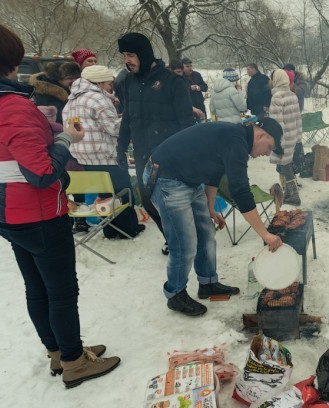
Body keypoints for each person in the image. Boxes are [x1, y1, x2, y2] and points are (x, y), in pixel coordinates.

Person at [0, 19, 120, 387]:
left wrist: (47, 134)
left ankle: (58, 350)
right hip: (36, 211)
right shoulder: (9, 106)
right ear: (6, 59)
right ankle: (73, 361)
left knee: (37, 286)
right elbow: (41, 173)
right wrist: (65, 141)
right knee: (60, 290)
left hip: (4, 207)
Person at [143, 118, 284, 316]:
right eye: (269, 147)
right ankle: (175, 294)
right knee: (184, 243)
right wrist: (265, 234)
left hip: (187, 179)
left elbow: (215, 172)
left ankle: (208, 283)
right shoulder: (236, 140)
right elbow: (241, 192)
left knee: (206, 232)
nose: (267, 153)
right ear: (261, 134)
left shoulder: (236, 138)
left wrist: (209, 208)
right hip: (166, 178)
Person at [116, 32, 196, 250]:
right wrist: (120, 147)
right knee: (149, 202)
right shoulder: (127, 83)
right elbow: (127, 118)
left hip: (170, 157)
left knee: (174, 203)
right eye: (124, 55)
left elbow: (187, 124)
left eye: (130, 54)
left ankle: (184, 241)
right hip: (143, 155)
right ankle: (171, 238)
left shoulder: (172, 81)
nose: (126, 60)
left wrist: (186, 157)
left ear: (143, 53)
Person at [64, 64, 144, 239]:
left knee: (104, 194)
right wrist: (130, 117)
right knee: (123, 192)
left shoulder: (72, 100)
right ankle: (128, 229)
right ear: (99, 83)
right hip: (106, 155)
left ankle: (110, 229)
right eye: (109, 83)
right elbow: (114, 129)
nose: (111, 87)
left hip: (83, 156)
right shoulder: (98, 99)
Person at [267, 69, 303, 206]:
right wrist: (298, 136)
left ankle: (294, 196)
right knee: (286, 166)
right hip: (292, 135)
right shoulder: (292, 95)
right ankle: (289, 194)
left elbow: (276, 124)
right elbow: (298, 118)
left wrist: (277, 142)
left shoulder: (277, 97)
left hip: (283, 138)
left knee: (285, 168)